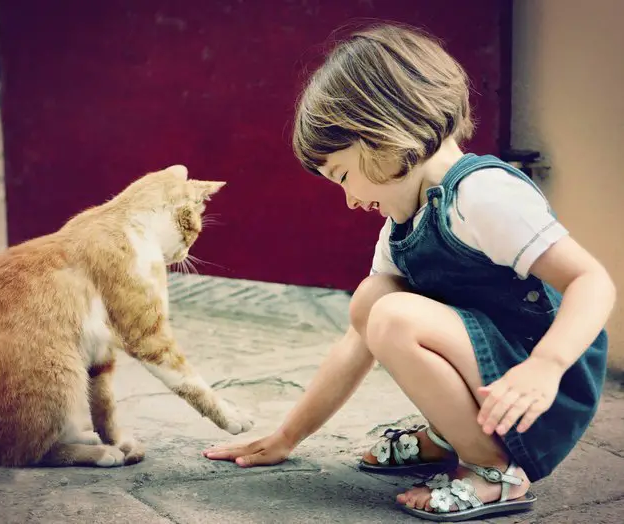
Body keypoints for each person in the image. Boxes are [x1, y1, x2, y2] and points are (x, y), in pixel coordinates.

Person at [202, 23, 613, 521]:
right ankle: (450, 436)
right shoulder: (406, 221)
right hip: (497, 382)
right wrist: (288, 437)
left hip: (539, 394)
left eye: (344, 176)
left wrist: (545, 367)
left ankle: (492, 473)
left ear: (382, 131)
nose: (351, 200)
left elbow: (592, 282)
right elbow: (359, 338)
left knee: (394, 315)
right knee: (373, 301)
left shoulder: (484, 196)